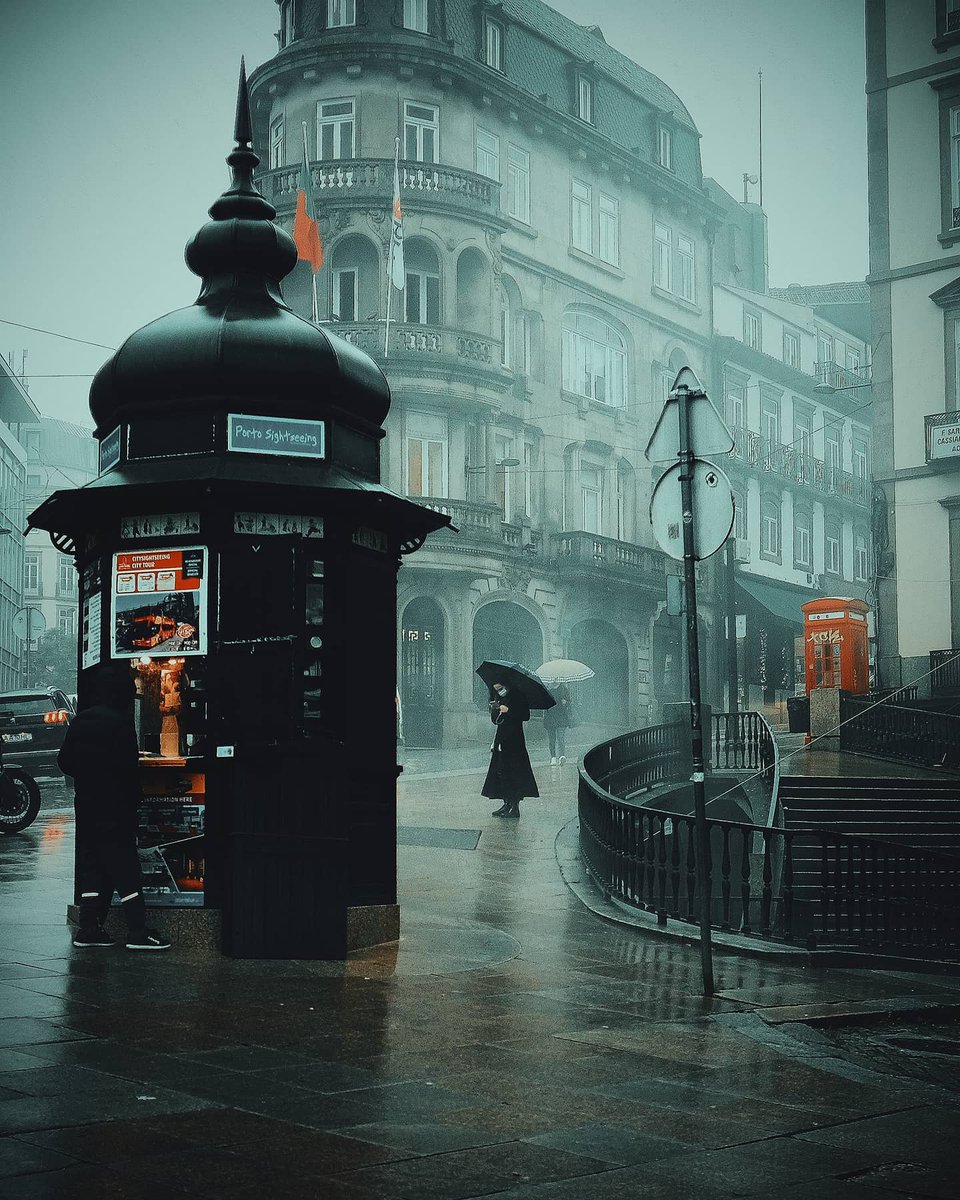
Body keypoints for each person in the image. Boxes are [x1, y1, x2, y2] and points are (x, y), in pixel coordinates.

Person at [58, 665, 171, 952]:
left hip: (87, 807)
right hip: (115, 808)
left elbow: (64, 762)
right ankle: (137, 931)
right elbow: (127, 767)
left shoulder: (80, 721)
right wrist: (133, 798)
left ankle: (89, 928)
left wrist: (89, 773)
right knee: (126, 868)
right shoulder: (121, 723)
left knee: (93, 867)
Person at [481, 680, 539, 819]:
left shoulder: (517, 694)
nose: (497, 689)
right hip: (501, 739)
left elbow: (525, 715)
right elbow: (496, 720)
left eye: (499, 687)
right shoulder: (498, 697)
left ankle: (515, 806)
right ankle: (507, 803)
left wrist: (509, 710)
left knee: (514, 772)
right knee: (501, 771)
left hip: (515, 740)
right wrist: (496, 709)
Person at [542, 682, 570, 765]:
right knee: (552, 740)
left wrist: (566, 702)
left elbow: (569, 702)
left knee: (561, 738)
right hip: (550, 718)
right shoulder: (547, 689)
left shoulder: (563, 689)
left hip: (561, 718)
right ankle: (553, 757)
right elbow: (543, 703)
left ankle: (562, 756)